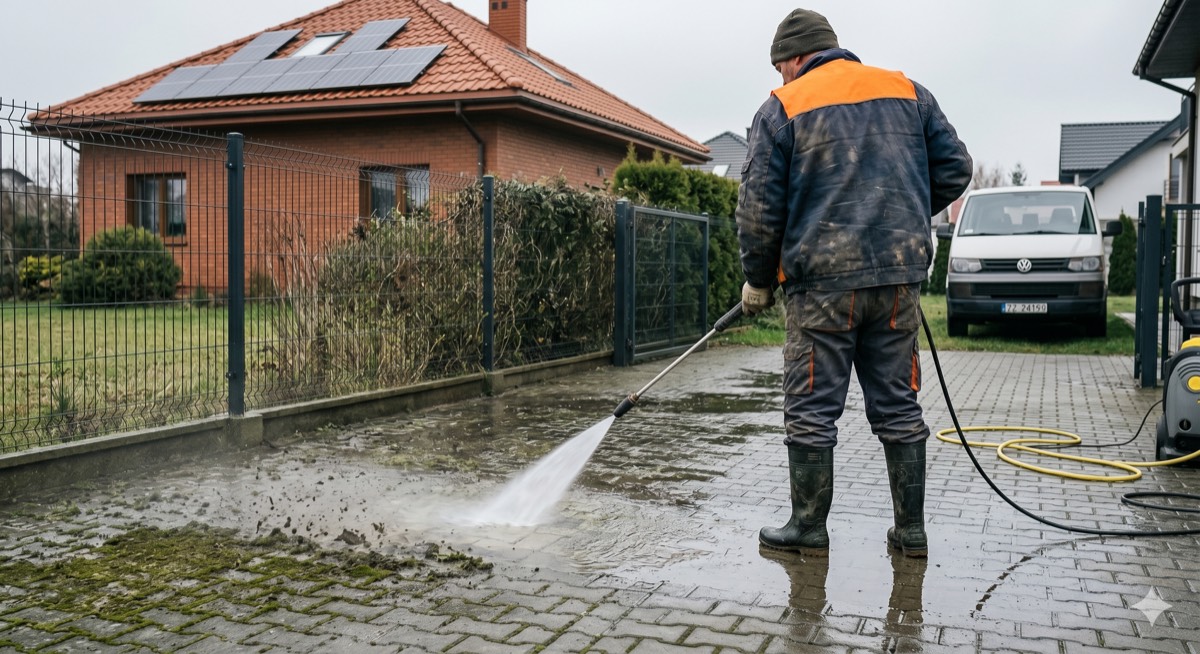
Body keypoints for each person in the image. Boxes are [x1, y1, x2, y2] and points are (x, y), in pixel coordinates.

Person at [736, 8, 972, 558]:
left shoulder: (783, 107)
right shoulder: (907, 91)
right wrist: (903, 209)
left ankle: (808, 527)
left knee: (813, 406)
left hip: (822, 288)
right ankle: (911, 531)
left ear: (794, 58)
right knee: (897, 404)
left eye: (780, 67)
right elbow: (956, 168)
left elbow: (759, 209)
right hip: (896, 281)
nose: (781, 78)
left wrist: (757, 280)